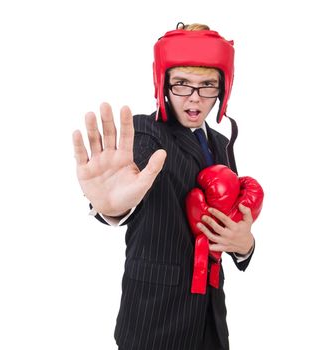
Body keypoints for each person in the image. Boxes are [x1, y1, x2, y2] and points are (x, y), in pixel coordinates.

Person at [71, 23, 259, 350]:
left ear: (222, 89)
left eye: (208, 85)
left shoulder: (220, 143)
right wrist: (112, 206)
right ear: (164, 83)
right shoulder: (147, 132)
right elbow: (136, 169)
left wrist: (243, 245)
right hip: (154, 323)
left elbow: (228, 225)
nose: (195, 98)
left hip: (210, 325)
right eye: (182, 84)